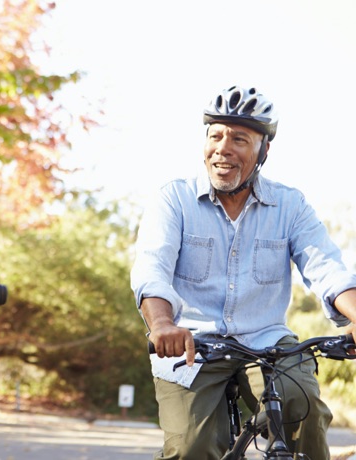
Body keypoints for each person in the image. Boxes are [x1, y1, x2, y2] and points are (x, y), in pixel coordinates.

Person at [130, 85, 356, 459]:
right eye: (215, 135)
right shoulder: (175, 199)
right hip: (192, 347)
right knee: (192, 446)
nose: (223, 147)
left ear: (263, 150)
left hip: (267, 341)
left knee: (304, 411)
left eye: (239, 138)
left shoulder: (289, 205)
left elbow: (327, 268)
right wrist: (162, 325)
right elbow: (152, 267)